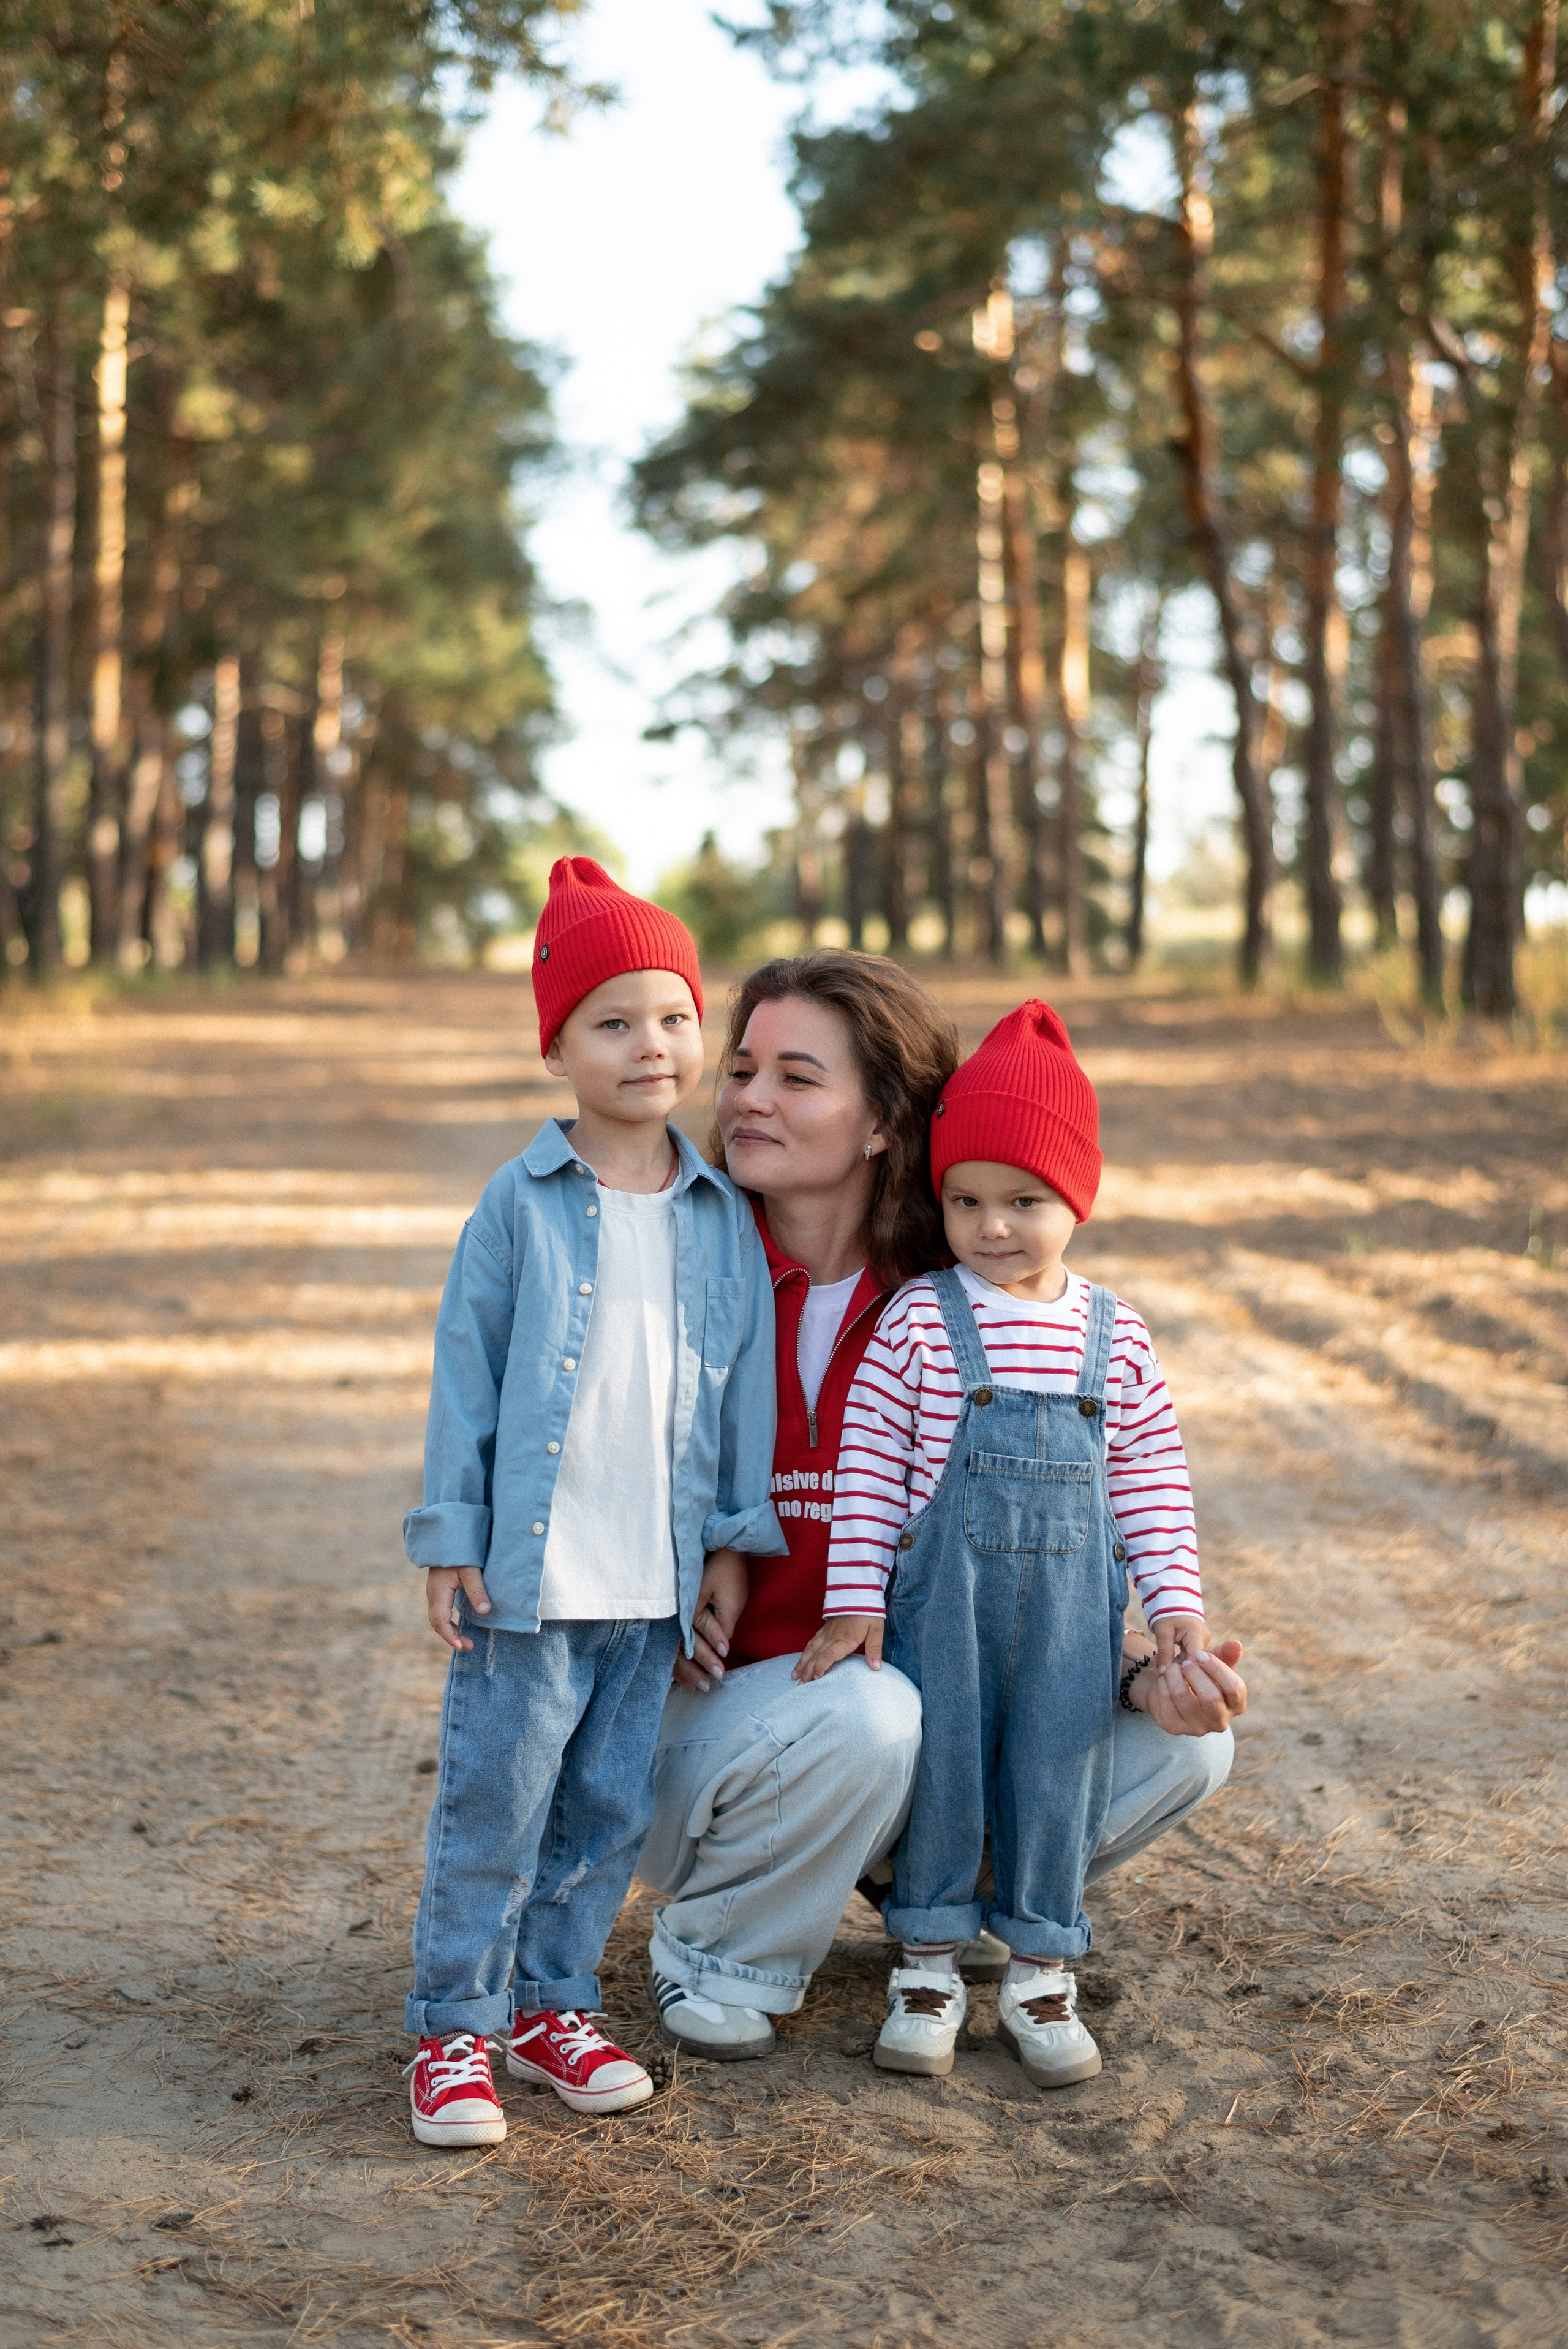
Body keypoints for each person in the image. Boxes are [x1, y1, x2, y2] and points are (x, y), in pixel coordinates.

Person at [637, 956, 1245, 2063]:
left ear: (883, 1124)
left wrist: (1146, 1658)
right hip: (710, 1723)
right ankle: (720, 1946)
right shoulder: (675, 1265)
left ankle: (952, 1912)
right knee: (869, 1714)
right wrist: (676, 1579)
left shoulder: (958, 1302)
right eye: (740, 1070)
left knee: (1186, 1748)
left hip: (933, 1720)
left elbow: (1123, 1486)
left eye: (796, 1076)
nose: (747, 1099)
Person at [398, 857, 784, 2146]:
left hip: (652, 1580)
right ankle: (454, 2025)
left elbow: (740, 1399)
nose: (650, 1044)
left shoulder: (719, 1209)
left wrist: (732, 1545)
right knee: (496, 1808)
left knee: (606, 1808)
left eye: (673, 1016)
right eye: (611, 1022)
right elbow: (466, 1377)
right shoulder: (519, 1205)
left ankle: (551, 2004)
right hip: (534, 1576)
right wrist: (450, 1536)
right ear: (556, 1048)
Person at [810, 998, 1216, 2090]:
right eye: (967, 1199)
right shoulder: (919, 1323)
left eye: (1025, 1200)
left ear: (1076, 1197)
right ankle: (929, 1963)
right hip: (945, 1605)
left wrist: (1176, 1607)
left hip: (1076, 1615)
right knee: (943, 1770)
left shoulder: (1114, 1334)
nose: (993, 1226)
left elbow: (1150, 1482)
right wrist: (855, 1599)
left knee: (1056, 1771)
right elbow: (870, 1474)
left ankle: (1041, 1967)